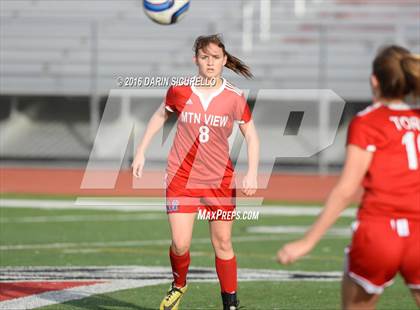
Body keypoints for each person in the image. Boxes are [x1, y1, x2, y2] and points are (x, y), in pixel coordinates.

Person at [277, 45, 420, 309]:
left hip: (379, 231)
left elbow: (345, 190)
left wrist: (307, 242)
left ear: (374, 80)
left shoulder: (367, 122)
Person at [132, 34, 259, 310]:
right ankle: (178, 285)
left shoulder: (234, 97)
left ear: (224, 60)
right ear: (195, 60)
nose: (210, 62)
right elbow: (159, 116)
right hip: (181, 178)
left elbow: (251, 135)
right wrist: (141, 150)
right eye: (204, 57)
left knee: (223, 242)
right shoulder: (179, 90)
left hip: (219, 180)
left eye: (216, 57)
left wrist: (252, 172)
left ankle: (231, 304)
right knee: (180, 243)